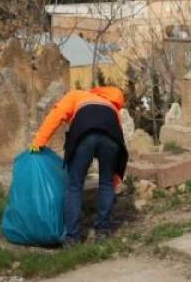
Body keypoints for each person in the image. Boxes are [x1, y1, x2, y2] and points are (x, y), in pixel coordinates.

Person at [30, 85, 128, 245]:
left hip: (84, 135)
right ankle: (102, 231)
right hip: (111, 139)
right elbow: (118, 139)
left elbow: (57, 115)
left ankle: (72, 237)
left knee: (74, 186)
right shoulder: (113, 109)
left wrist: (38, 143)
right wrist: (114, 180)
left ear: (97, 91)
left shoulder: (77, 95)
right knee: (106, 184)